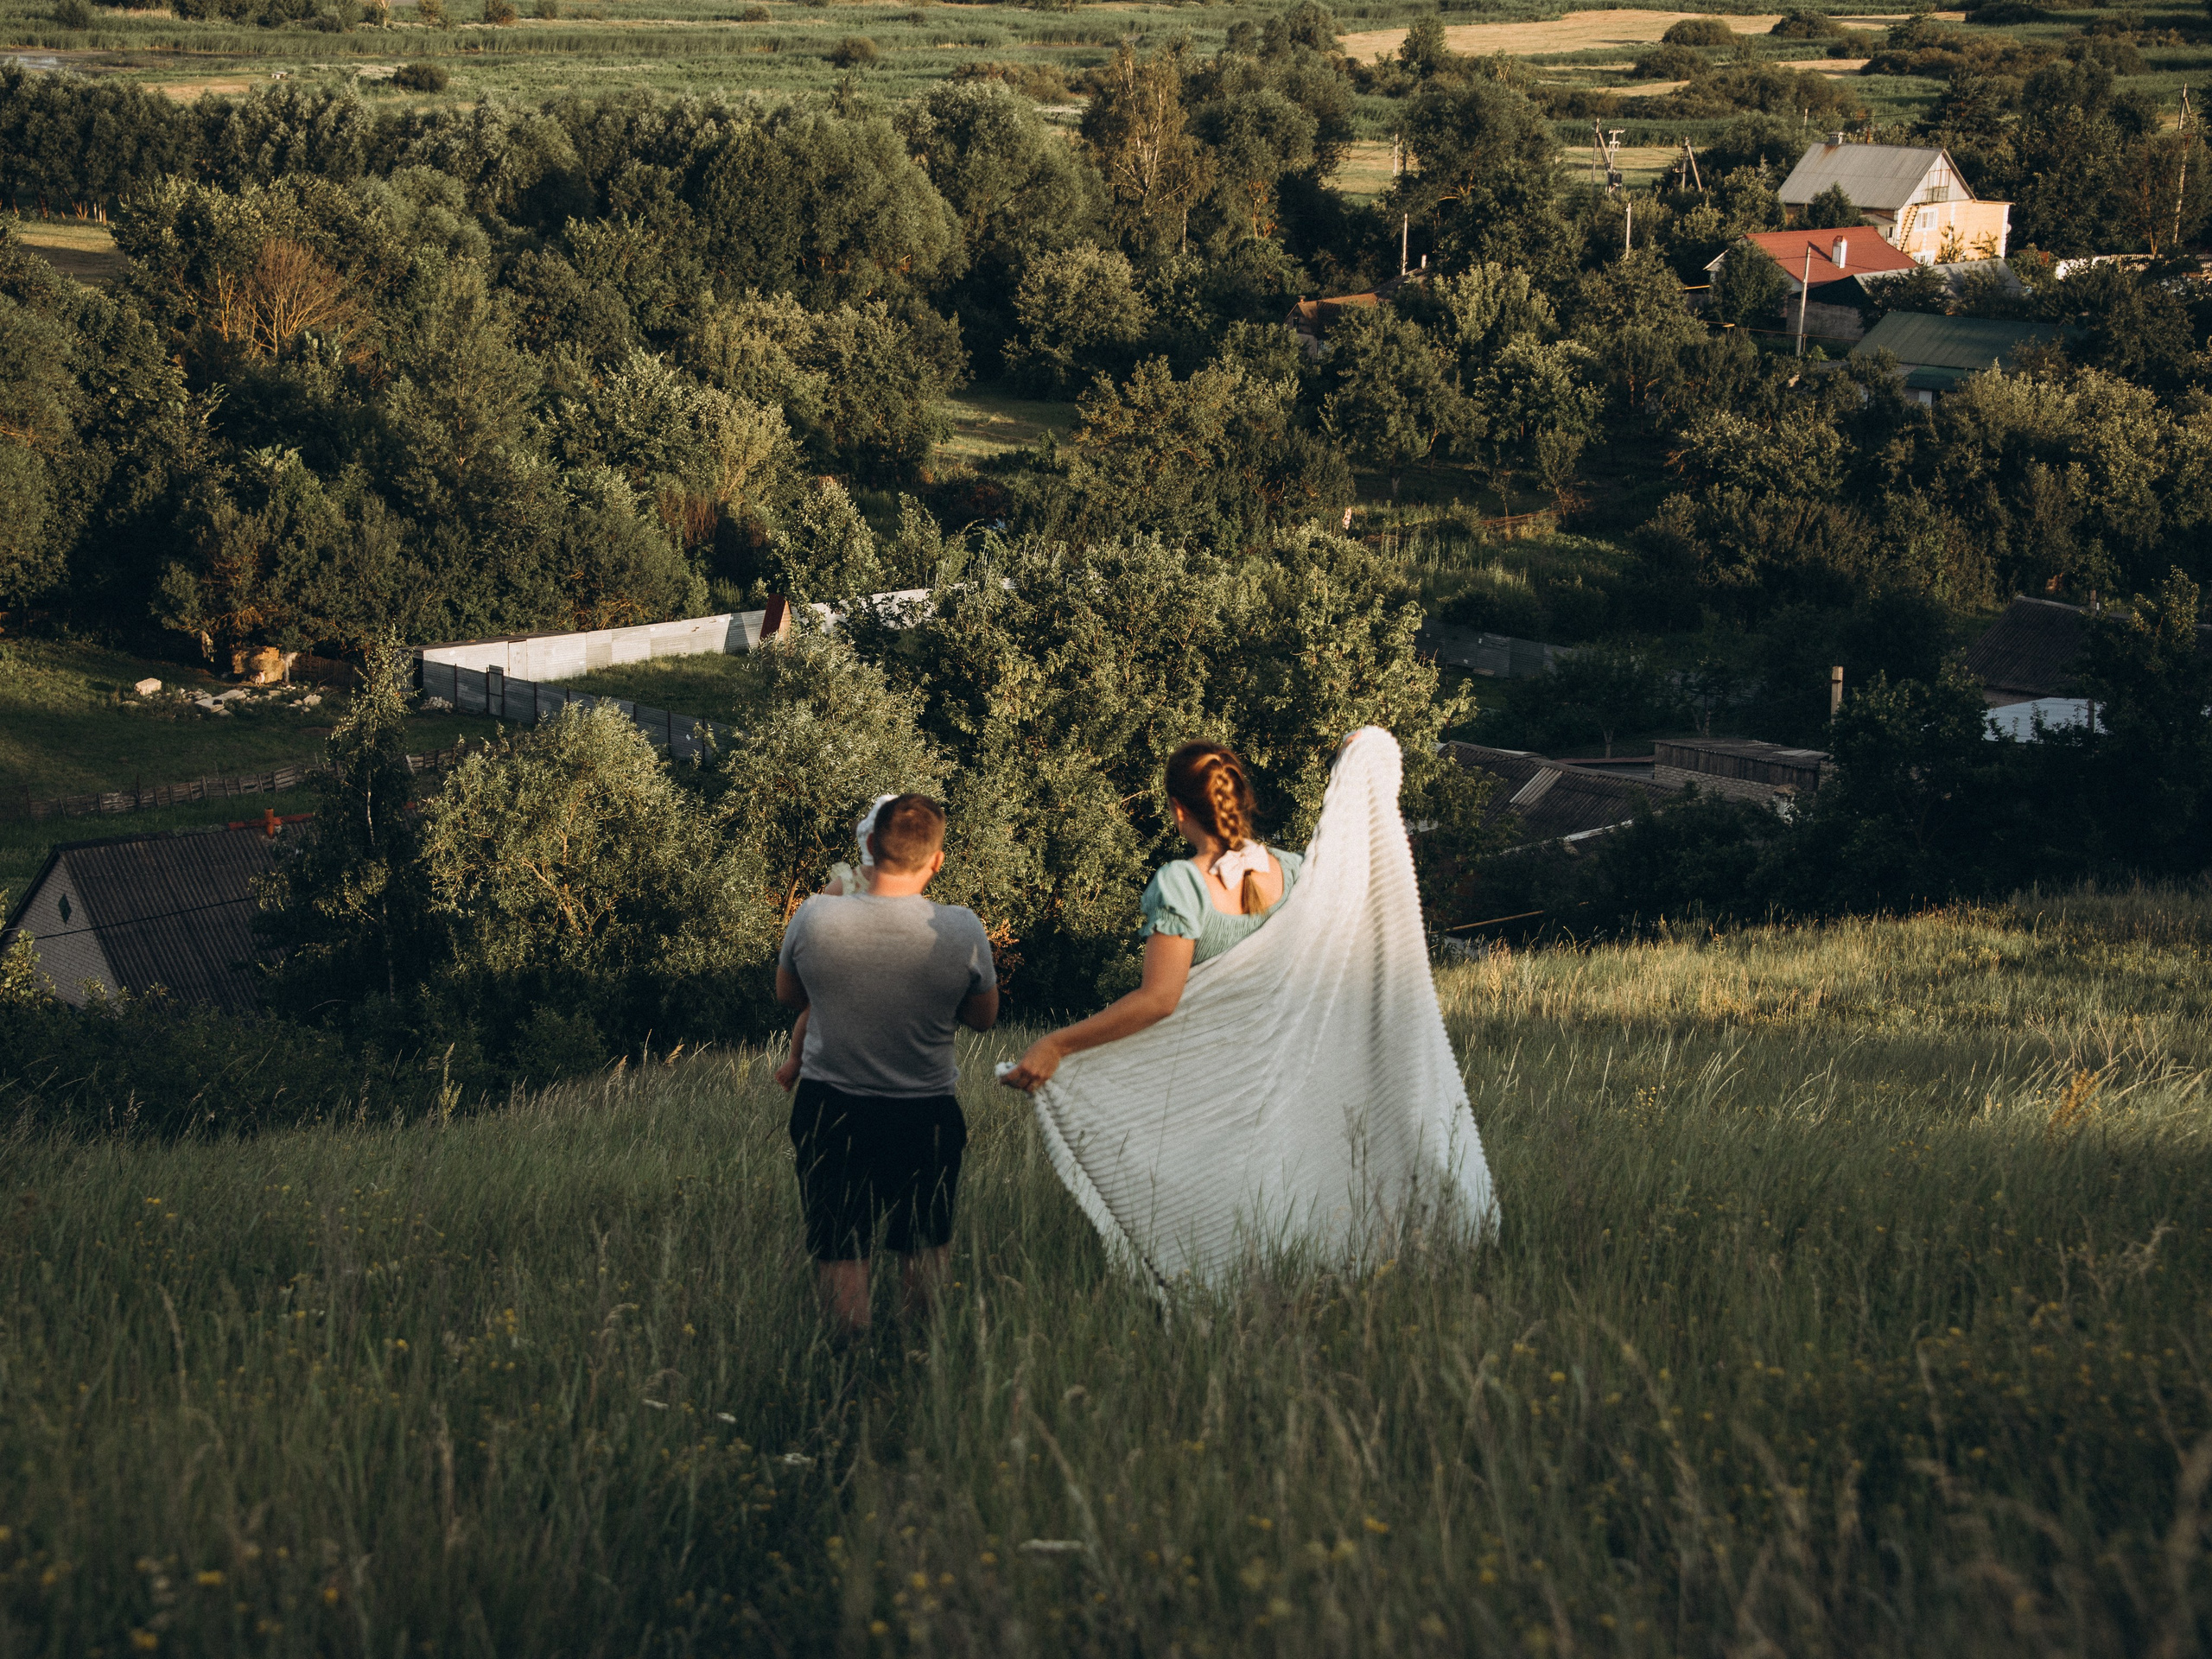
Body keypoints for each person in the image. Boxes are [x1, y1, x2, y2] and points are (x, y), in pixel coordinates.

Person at [775, 793, 999, 1337]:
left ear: (872, 846)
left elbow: (789, 996)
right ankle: (918, 1356)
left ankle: (850, 1364)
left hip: (830, 1107)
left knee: (839, 1243)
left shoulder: (814, 915)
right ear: (937, 860)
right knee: (924, 1240)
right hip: (925, 1111)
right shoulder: (962, 928)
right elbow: (984, 1018)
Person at [998, 741, 1300, 1092]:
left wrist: (1056, 1045)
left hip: (1208, 1082)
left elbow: (1159, 1000)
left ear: (1178, 809)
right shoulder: (1293, 870)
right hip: (1280, 1079)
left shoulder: (1182, 884)